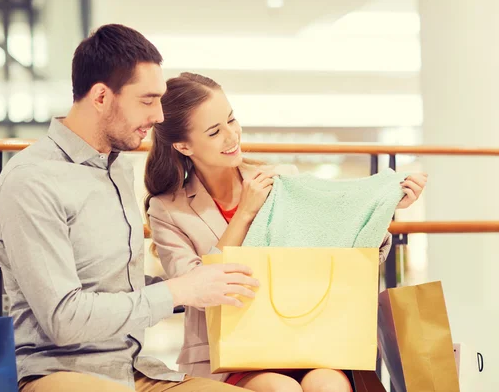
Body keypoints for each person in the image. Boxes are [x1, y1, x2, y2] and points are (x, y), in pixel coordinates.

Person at [0, 24, 258, 392]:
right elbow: (63, 319)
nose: (160, 116)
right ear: (101, 97)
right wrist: (179, 292)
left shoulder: (115, 168)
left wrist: (194, 285)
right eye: (147, 100)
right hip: (56, 373)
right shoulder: (33, 181)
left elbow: (115, 288)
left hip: (134, 369)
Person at [144, 72, 428, 392]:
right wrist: (245, 214)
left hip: (304, 336)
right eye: (214, 131)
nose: (231, 135)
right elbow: (194, 288)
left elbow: (332, 239)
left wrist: (386, 205)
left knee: (330, 386)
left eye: (231, 119)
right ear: (183, 144)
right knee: (283, 390)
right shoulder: (168, 208)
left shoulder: (282, 180)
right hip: (228, 353)